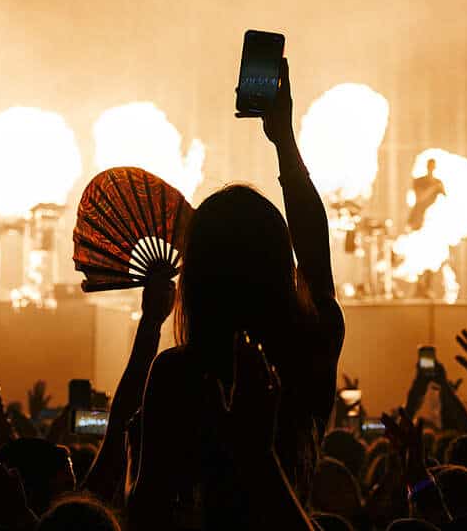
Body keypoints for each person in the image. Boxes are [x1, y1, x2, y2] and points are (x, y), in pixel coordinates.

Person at [129, 56, 344, 530]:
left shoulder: (177, 375)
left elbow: (146, 509)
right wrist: (284, 140)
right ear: (278, 263)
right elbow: (316, 262)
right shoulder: (306, 352)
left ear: (197, 274)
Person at [407, 159, 445, 231]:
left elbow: (445, 200)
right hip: (419, 215)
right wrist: (433, 188)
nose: (431, 168)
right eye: (430, 166)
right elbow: (420, 198)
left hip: (434, 216)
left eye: (432, 166)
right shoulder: (419, 181)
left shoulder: (438, 182)